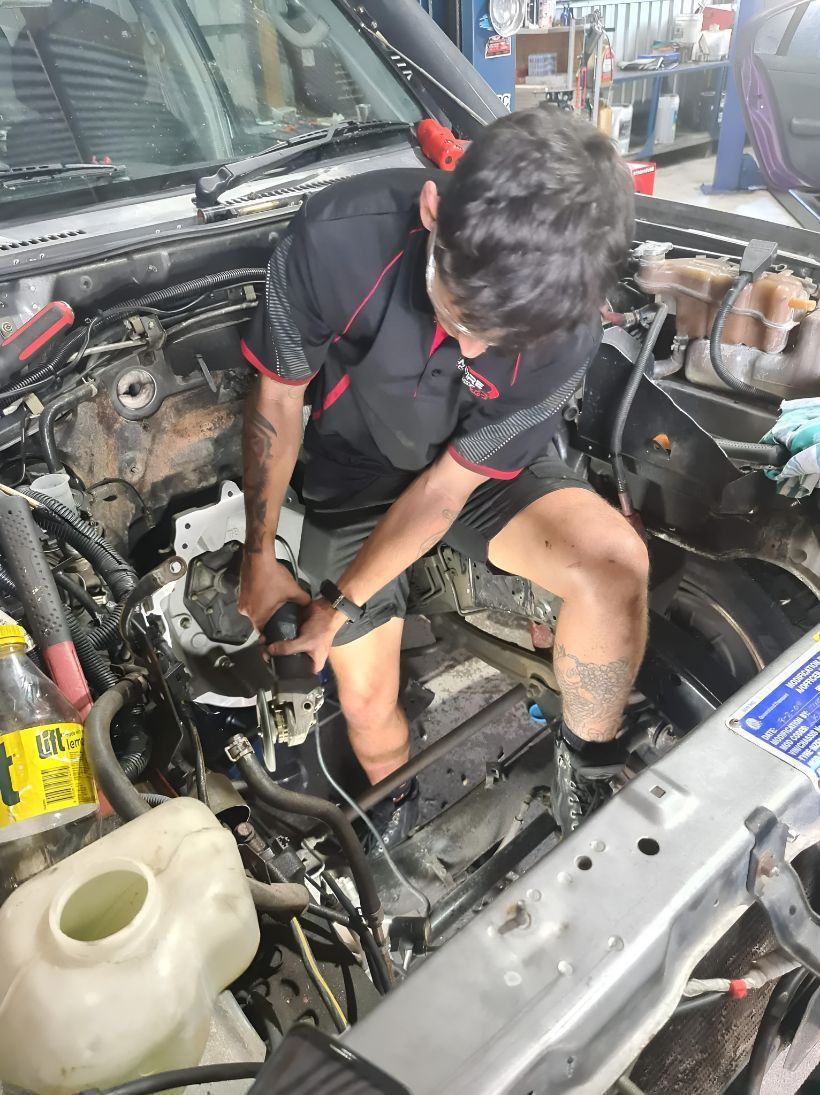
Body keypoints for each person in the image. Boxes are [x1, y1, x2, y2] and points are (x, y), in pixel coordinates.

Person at [237, 108, 647, 840]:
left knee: (616, 569)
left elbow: (447, 488)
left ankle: (586, 770)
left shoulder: (567, 327)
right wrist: (259, 556)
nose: (473, 347)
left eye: (500, 339)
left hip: (472, 472)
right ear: (432, 209)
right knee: (366, 702)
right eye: (461, 318)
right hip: (352, 479)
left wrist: (338, 606)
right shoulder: (336, 241)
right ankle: (395, 804)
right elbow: (277, 400)